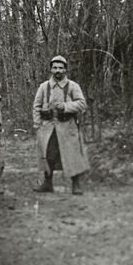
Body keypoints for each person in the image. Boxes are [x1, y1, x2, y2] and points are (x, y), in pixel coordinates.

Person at [32, 55, 89, 195]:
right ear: (51, 69)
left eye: (61, 68)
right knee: (48, 155)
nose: (58, 70)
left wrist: (65, 106)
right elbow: (36, 106)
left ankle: (76, 185)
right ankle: (47, 183)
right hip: (48, 128)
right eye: (55, 67)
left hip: (67, 127)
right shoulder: (44, 87)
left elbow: (82, 104)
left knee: (72, 155)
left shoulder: (73, 86)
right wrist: (37, 124)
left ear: (65, 70)